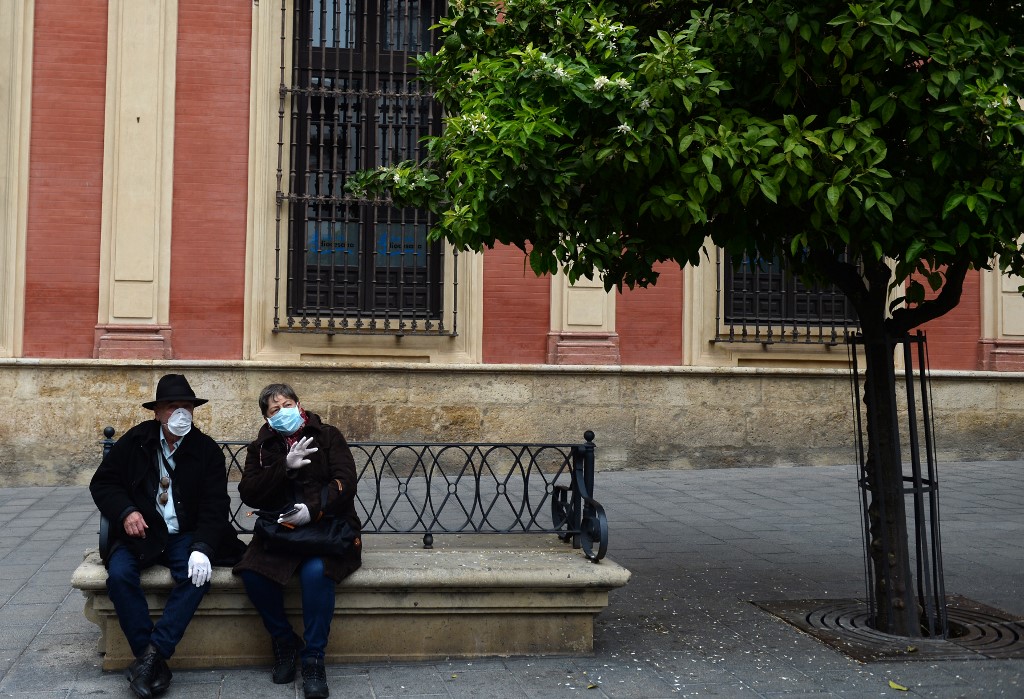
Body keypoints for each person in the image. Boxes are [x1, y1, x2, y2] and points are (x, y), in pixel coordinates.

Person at [90, 374, 245, 699]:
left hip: (183, 536)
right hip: (139, 535)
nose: (181, 413)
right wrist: (126, 512)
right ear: (158, 412)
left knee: (197, 575)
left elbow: (216, 505)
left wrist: (202, 548)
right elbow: (103, 483)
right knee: (119, 576)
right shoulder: (135, 441)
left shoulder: (206, 451)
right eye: (174, 406)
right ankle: (151, 657)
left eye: (187, 407)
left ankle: (151, 657)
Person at [233, 383, 362, 699]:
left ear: (298, 404)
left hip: (327, 530)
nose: (282, 412)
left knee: (316, 573)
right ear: (266, 417)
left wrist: (312, 509)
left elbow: (346, 480)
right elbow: (248, 492)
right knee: (251, 572)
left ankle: (314, 658)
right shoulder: (261, 448)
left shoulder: (329, 435)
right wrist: (283, 467)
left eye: (286, 404)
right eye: (274, 410)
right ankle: (285, 641)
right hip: (282, 534)